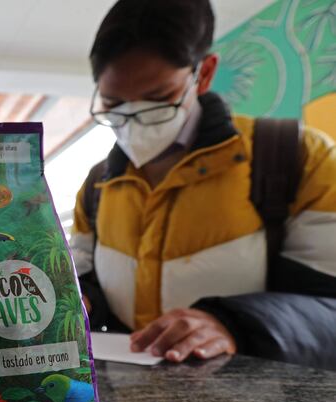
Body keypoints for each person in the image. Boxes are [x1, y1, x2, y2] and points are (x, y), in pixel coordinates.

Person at [73, 0, 336, 368]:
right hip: (125, 399)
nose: (134, 121)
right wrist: (80, 300)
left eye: (159, 99)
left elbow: (328, 309)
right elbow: (86, 276)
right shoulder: (97, 184)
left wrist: (232, 324)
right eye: (114, 103)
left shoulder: (297, 158)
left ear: (205, 73)